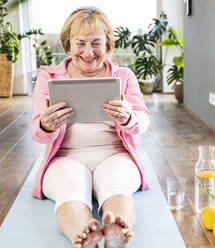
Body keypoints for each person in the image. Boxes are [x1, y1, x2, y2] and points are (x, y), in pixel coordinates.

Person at [30, 7, 150, 248]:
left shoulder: (124, 76)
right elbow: (36, 131)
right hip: (66, 158)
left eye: (96, 43)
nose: (88, 52)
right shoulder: (49, 76)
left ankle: (117, 229)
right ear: (68, 44)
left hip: (115, 155)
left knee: (117, 185)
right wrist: (46, 124)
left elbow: (143, 122)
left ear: (107, 44)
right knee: (69, 187)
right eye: (80, 43)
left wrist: (128, 117)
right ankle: (85, 236)